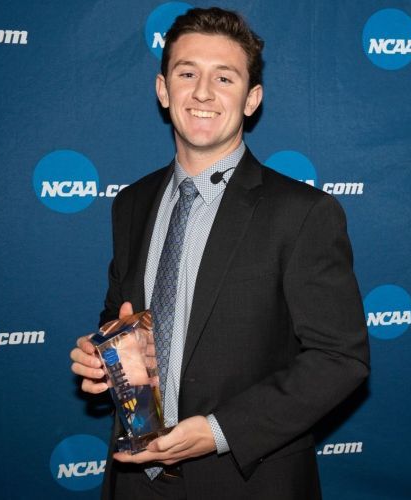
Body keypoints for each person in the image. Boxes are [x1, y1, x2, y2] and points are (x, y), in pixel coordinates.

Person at [70, 7, 370, 499]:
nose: (203, 93)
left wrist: (216, 431)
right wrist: (105, 357)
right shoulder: (131, 203)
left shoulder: (303, 213)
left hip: (249, 481)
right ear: (163, 90)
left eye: (224, 78)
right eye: (187, 73)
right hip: (135, 480)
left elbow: (341, 359)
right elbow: (122, 318)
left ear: (252, 99)